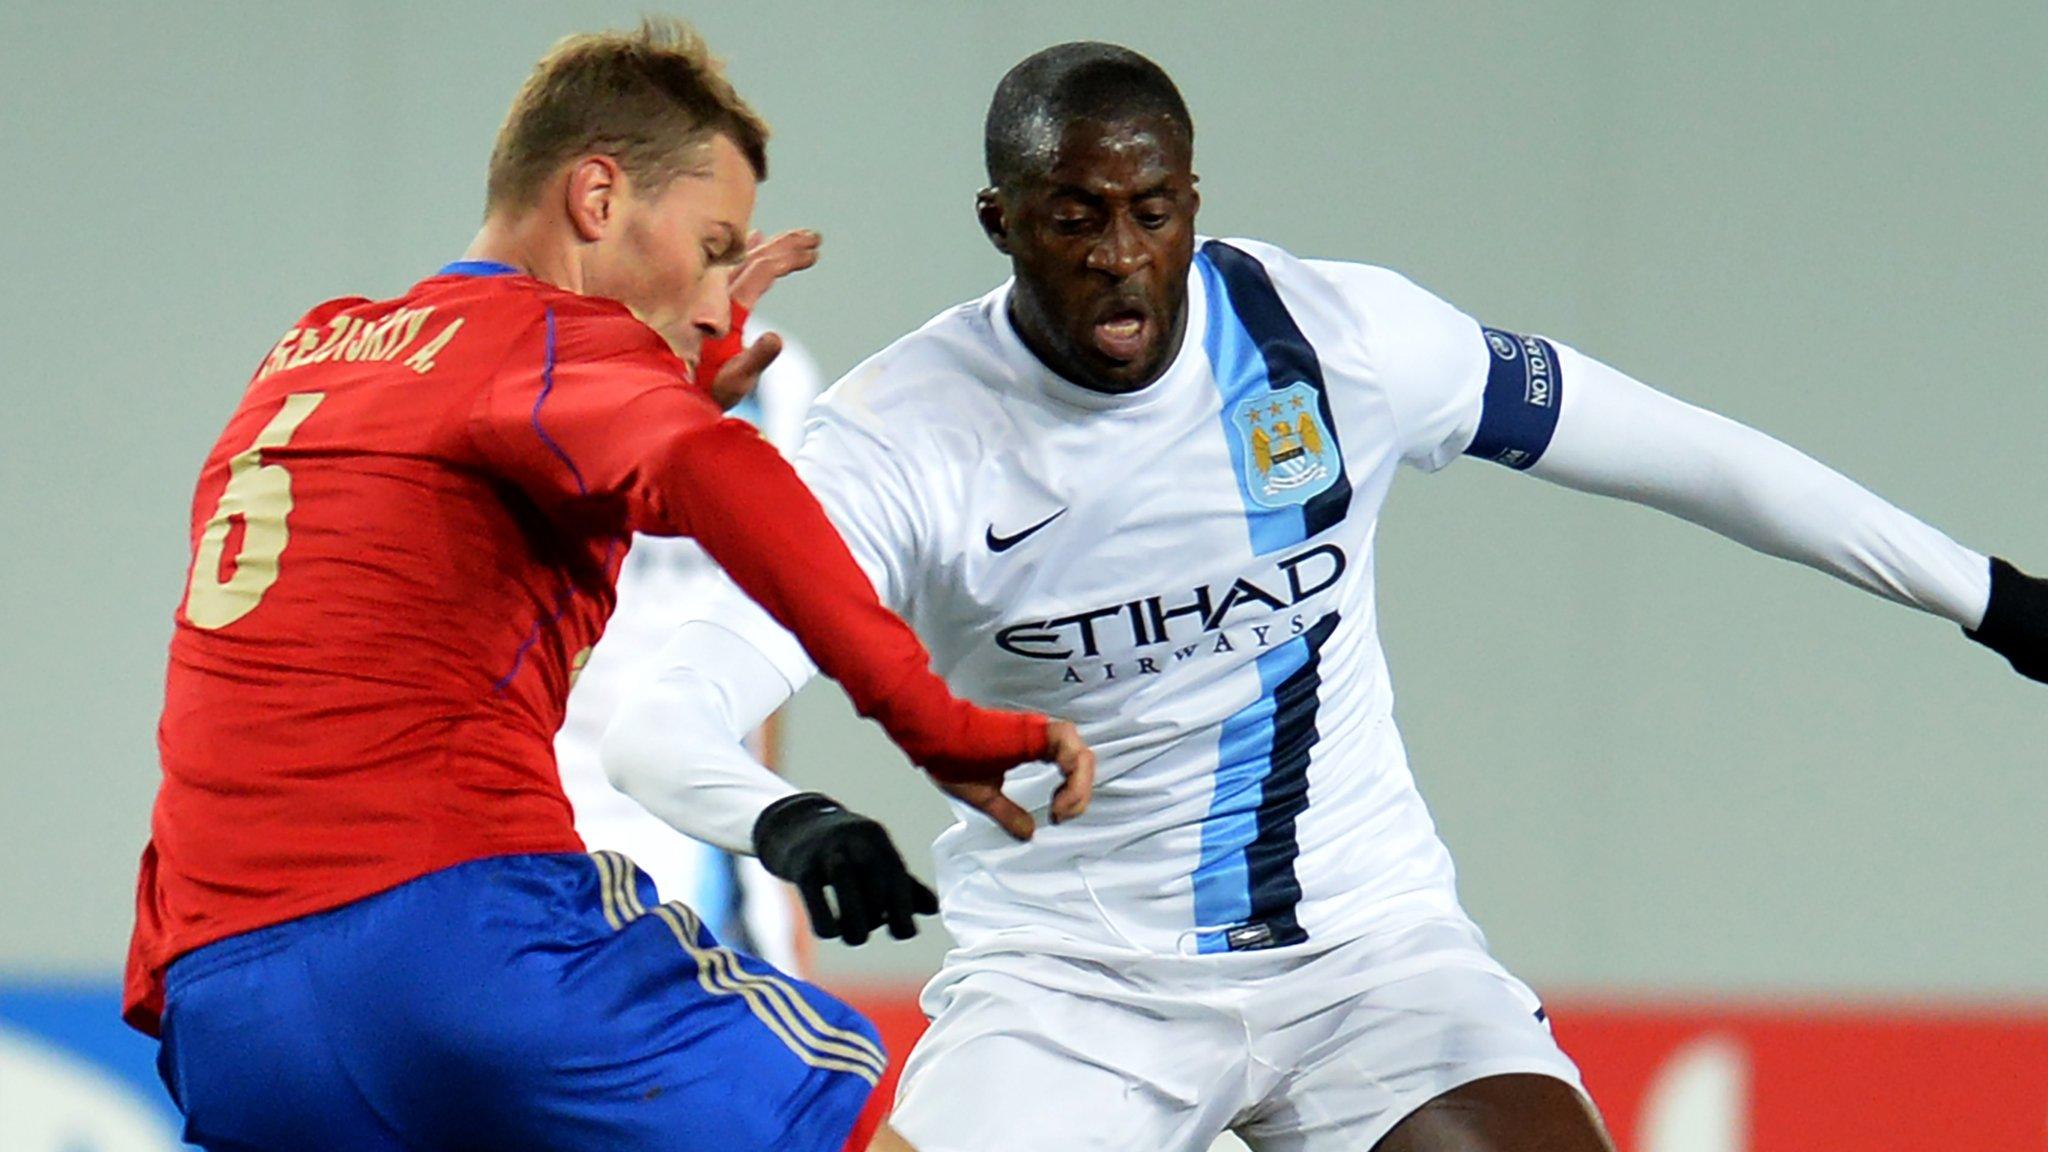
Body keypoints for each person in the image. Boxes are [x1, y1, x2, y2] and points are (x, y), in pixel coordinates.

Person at [602, 41, 2048, 1152]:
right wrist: (790, 817)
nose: (1119, 259)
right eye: (1073, 216)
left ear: (1191, 204)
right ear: (1000, 218)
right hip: (1073, 989)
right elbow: (665, 708)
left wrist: (1987, 597)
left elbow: (1683, 453)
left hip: (1369, 954)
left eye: (1151, 211)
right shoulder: (897, 439)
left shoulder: (1341, 343)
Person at [126, 21, 1092, 1152]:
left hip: (225, 999)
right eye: (715, 243)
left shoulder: (315, 350)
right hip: (462, 941)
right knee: (861, 1121)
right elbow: (711, 472)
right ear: (596, 197)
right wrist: (933, 724)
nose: (721, 288)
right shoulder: (550, 341)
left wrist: (668, 372)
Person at [557, 285, 830, 970]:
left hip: (701, 833)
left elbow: (767, 614)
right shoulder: (539, 356)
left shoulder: (780, 375)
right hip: (546, 820)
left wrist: (771, 846)